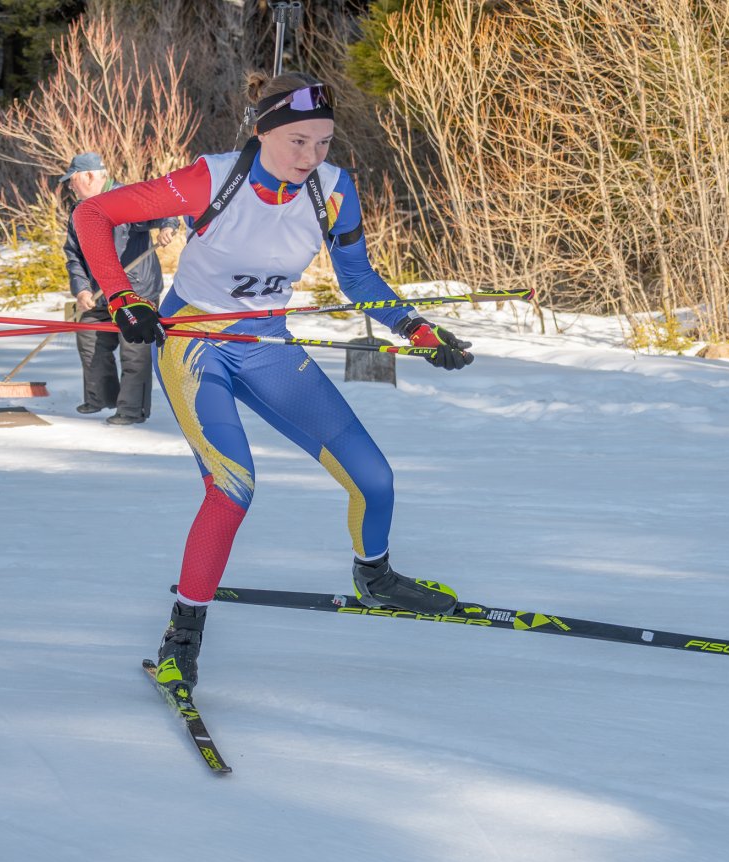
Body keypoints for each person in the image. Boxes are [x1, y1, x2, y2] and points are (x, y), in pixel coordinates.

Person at [73, 73, 474, 696]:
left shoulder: (335, 192)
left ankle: (376, 576)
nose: (312, 157)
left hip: (265, 345)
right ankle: (182, 637)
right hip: (194, 344)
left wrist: (416, 329)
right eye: (297, 142)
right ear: (261, 133)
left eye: (323, 143)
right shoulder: (214, 177)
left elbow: (359, 278)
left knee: (375, 478)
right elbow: (93, 211)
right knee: (232, 488)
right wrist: (123, 296)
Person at [61, 151, 179, 425]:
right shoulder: (79, 212)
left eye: (72, 180)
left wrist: (167, 226)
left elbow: (163, 209)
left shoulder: (124, 198)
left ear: (89, 176)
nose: (69, 186)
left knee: (134, 350)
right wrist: (81, 290)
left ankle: (131, 409)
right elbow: (73, 254)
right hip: (97, 291)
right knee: (89, 341)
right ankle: (101, 398)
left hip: (134, 290)